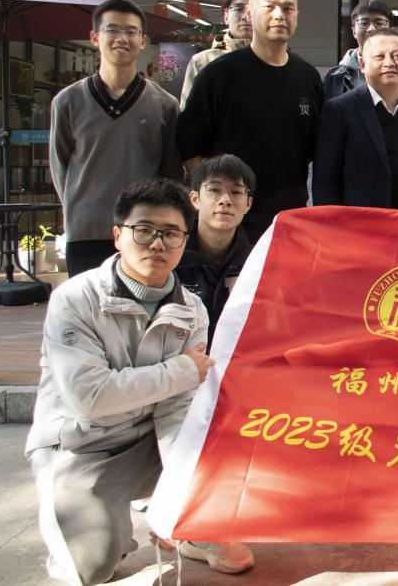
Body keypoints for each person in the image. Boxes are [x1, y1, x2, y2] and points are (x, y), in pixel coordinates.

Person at [26, 178, 254, 584]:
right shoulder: (75, 299)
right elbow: (88, 397)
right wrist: (182, 370)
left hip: (149, 438)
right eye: (144, 230)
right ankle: (80, 517)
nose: (158, 244)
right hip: (84, 445)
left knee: (235, 427)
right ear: (118, 235)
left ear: (184, 241)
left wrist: (181, 499)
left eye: (171, 233)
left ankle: (191, 532)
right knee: (91, 566)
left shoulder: (192, 310)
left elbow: (177, 408)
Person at [177, 0, 323, 241]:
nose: (279, 15)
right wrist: (215, 197)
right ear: (249, 13)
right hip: (230, 221)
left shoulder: (308, 76)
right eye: (269, 7)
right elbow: (190, 146)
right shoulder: (218, 74)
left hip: (289, 218)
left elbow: (313, 146)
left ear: (297, 16)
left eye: (288, 8)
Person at [50, 0, 183, 276]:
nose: (122, 38)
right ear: (94, 37)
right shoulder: (68, 101)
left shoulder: (164, 105)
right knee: (88, 302)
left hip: (143, 234)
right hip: (86, 230)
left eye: (131, 31)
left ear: (143, 40)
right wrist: (78, 207)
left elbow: (170, 174)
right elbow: (60, 166)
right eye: (112, 30)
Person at [314, 28, 398, 211]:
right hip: (361, 223)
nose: (389, 63)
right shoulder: (339, 110)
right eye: (379, 57)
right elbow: (325, 182)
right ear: (363, 64)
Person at [175, 154, 255, 345]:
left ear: (248, 204)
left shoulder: (258, 262)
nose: (225, 200)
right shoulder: (172, 256)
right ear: (195, 199)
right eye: (214, 190)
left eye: (236, 192)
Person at [322, 0, 398, 100]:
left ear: (390, 31)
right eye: (364, 23)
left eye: (379, 23)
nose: (371, 29)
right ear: (354, 31)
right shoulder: (334, 78)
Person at [179, 0, 251, 109]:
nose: (246, 17)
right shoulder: (202, 62)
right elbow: (189, 113)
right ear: (226, 16)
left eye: (252, 10)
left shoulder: (274, 60)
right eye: (238, 9)